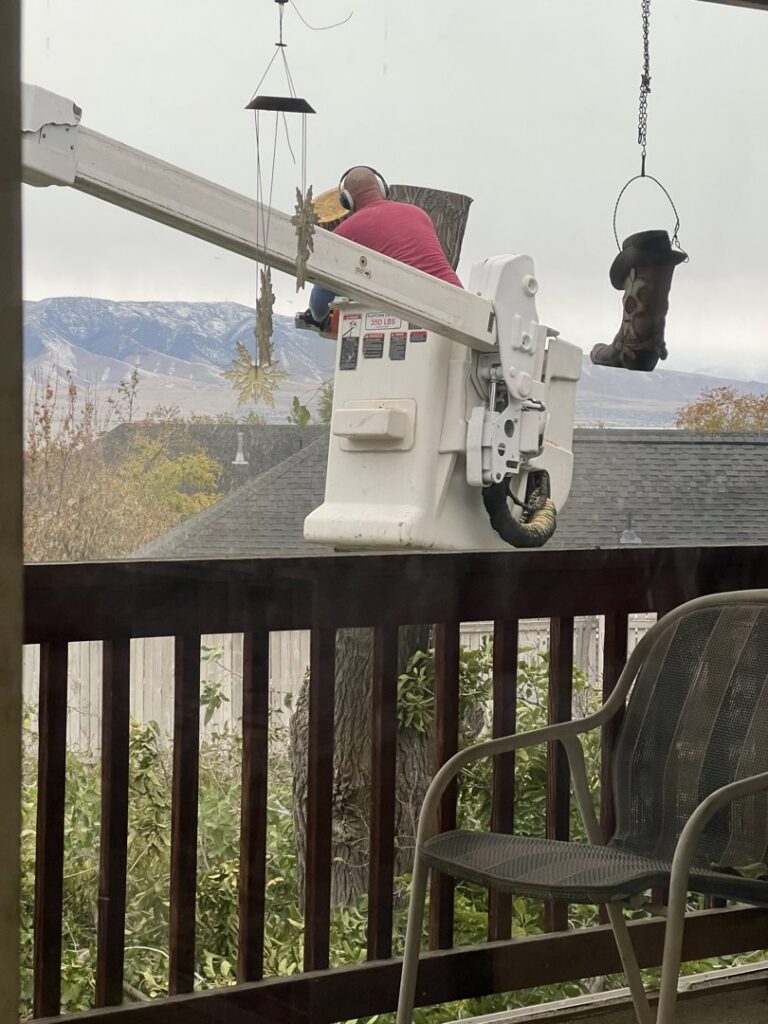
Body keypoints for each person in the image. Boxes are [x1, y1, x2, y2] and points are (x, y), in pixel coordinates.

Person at [306, 166, 462, 328]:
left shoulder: (346, 231)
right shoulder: (418, 213)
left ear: (347, 200)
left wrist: (320, 319)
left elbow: (320, 303)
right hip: (460, 305)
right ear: (382, 188)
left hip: (419, 314)